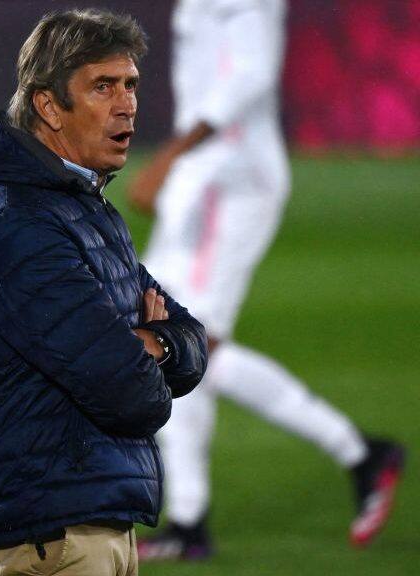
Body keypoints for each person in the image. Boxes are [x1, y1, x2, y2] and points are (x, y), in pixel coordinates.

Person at [0, 9, 208, 576]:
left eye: (130, 84)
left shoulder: (79, 211)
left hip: (83, 523)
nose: (126, 103)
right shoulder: (12, 221)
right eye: (101, 86)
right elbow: (134, 395)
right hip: (47, 538)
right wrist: (154, 345)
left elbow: (192, 341)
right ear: (49, 105)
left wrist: (150, 342)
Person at [127, 0, 405, 560]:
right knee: (160, 338)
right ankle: (189, 523)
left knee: (181, 343)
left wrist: (172, 156)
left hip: (229, 180)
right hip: (204, 178)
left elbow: (250, 73)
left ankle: (358, 451)